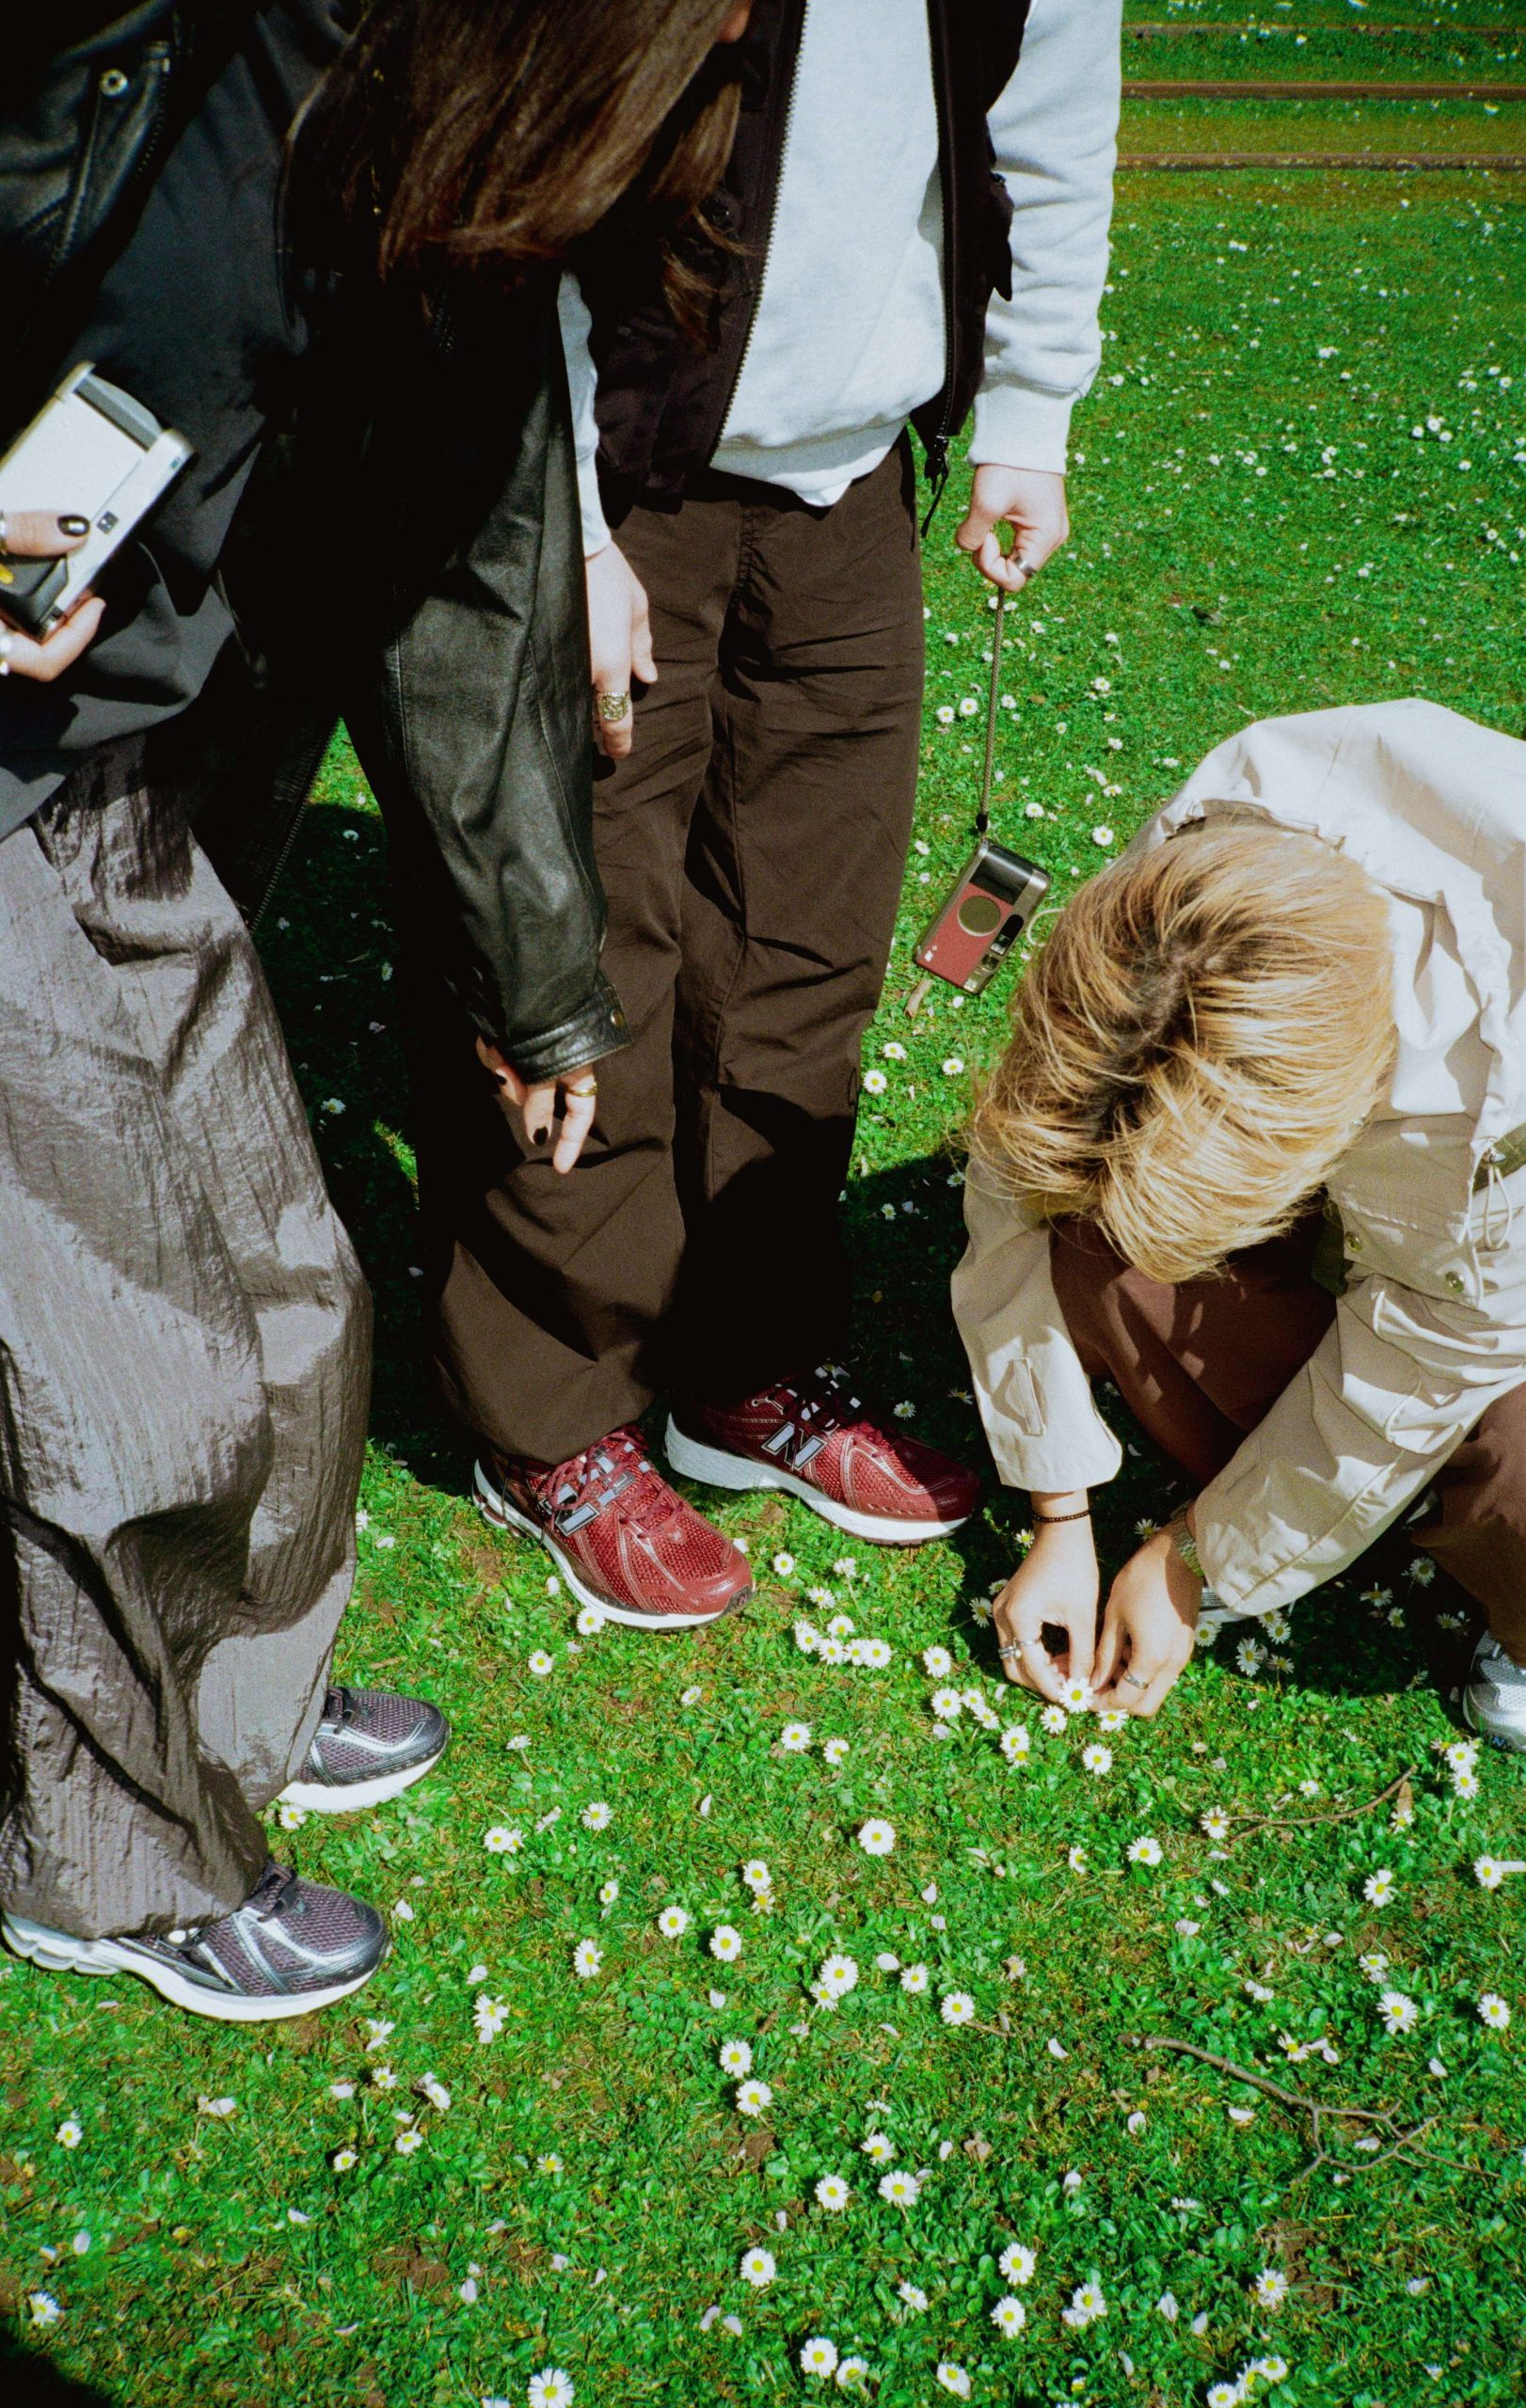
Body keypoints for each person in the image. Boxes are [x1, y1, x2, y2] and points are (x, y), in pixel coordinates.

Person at [0, 0, 750, 2020]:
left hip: (113, 765)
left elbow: (477, 592)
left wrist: (538, 983)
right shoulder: (167, 54)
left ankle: (226, 1715)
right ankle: (106, 1860)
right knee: (120, 1366)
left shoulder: (461, 193)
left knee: (284, 1285)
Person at [405, 0, 1123, 1631]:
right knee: (586, 942)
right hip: (614, 469)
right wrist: (566, 521)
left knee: (806, 943)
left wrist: (1026, 414)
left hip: (850, 480)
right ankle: (553, 1411)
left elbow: (1051, 127)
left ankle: (744, 1365)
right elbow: (520, 171)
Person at [954, 694, 1526, 1751]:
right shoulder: (1194, 880)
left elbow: (1402, 1394)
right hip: (1411, 1201)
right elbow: (1028, 1169)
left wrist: (1196, 1559)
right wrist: (1057, 1507)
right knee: (1097, 1230)